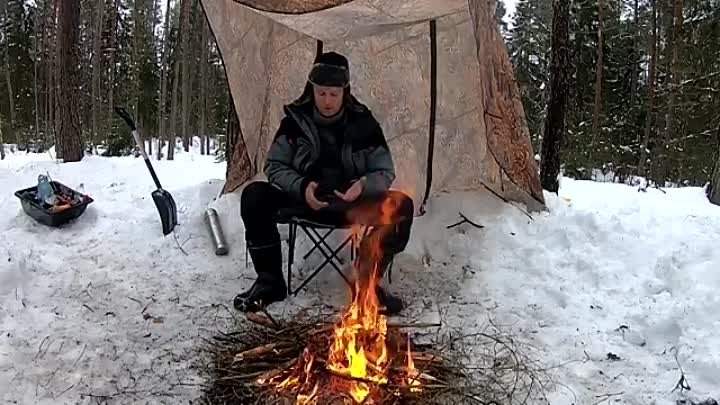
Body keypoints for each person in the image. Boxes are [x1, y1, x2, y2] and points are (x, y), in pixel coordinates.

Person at [235, 51, 414, 315]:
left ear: (345, 92)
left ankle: (367, 286)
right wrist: (301, 186)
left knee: (402, 206)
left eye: (333, 94)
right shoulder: (294, 122)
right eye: (321, 93)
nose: (327, 101)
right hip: (305, 201)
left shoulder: (365, 123)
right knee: (254, 195)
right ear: (312, 90)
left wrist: (363, 185)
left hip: (352, 204)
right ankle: (270, 282)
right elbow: (274, 165)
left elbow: (384, 170)